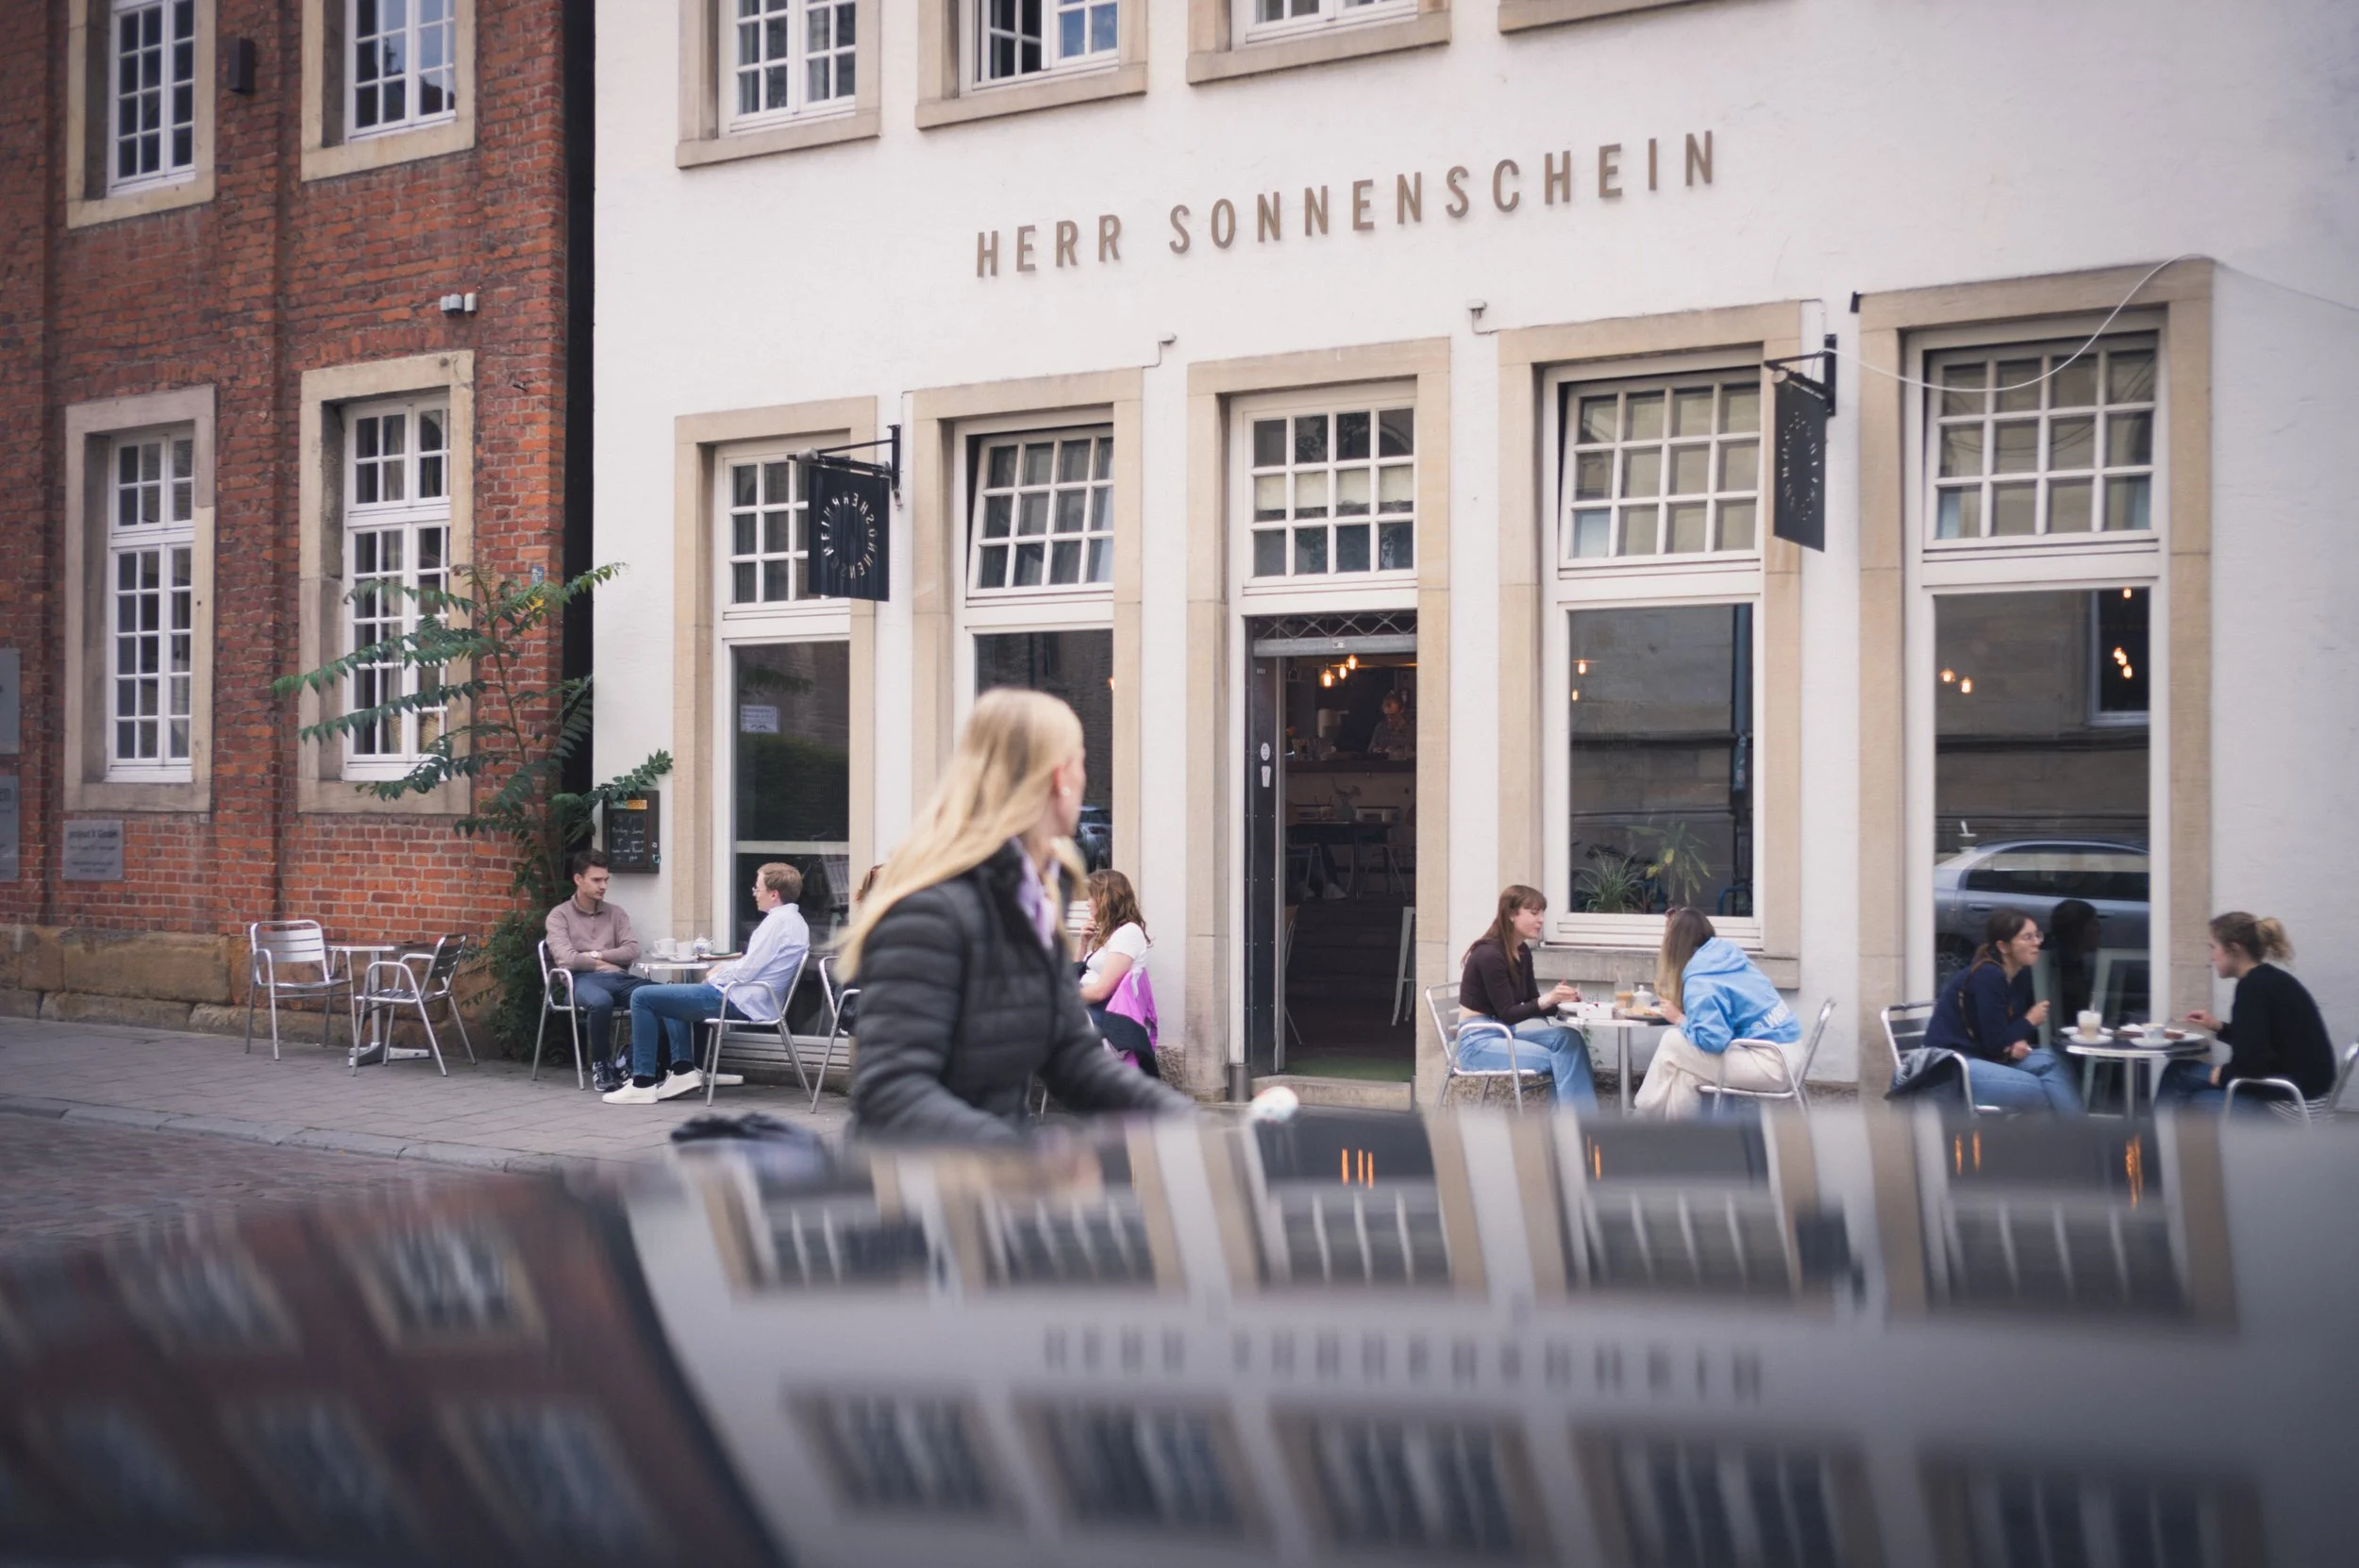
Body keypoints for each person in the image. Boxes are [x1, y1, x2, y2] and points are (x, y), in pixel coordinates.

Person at [844, 690, 1196, 1142]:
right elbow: (891, 1095)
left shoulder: (1028, 900)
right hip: (919, 1193)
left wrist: (1188, 1123)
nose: (1085, 778)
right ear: (1058, 777)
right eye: (1082, 761)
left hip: (994, 1188)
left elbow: (1072, 1057)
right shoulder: (930, 909)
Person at [603, 862, 811, 1105]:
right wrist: (725, 969)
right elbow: (755, 965)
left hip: (739, 1000)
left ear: (774, 894)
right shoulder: (795, 922)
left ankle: (643, 1083)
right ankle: (682, 1071)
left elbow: (747, 971)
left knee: (643, 997)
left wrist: (715, 975)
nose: (755, 892)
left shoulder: (776, 923)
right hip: (755, 999)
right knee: (671, 993)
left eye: (758, 888)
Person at [2156, 913, 2337, 1110]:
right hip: (2309, 1097)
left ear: (2234, 949)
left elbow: (2252, 1067)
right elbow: (2261, 1043)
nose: (2211, 957)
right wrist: (2219, 1027)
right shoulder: (2272, 980)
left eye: (2213, 947)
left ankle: (2157, 1138)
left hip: (2291, 1108)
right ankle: (2164, 1137)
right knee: (2181, 1073)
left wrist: (2223, 1075)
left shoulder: (2252, 988)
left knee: (2184, 1083)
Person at [1634, 908, 1804, 1116]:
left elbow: (1713, 1040)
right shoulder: (1725, 956)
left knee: (1672, 1040)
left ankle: (1643, 1115)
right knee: (1687, 1074)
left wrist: (1679, 1018)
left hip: (1771, 1065)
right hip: (1791, 1054)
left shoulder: (1701, 981)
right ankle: (1678, 1138)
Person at [1921, 908, 2082, 1114]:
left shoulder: (2018, 974)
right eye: (2027, 937)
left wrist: (2015, 1040)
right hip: (1952, 1066)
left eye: (2037, 935)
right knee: (2035, 1090)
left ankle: (2076, 1138)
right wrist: (2029, 1021)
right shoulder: (1989, 976)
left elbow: (2004, 1033)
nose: (2037, 942)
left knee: (2052, 1059)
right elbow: (1995, 1043)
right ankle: (2070, 1140)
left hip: (1982, 1057)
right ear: (2003, 947)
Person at [1455, 885, 1595, 1107]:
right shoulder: (1489, 955)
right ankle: (1574, 1130)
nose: (1541, 920)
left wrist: (1561, 1001)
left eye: (1542, 913)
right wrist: (1548, 999)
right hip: (1478, 1043)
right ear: (1511, 914)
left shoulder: (1522, 952)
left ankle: (1573, 1127)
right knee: (1563, 1059)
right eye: (1533, 912)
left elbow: (1533, 1002)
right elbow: (1508, 1013)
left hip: (1503, 1035)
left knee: (1570, 1040)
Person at [544, 849, 646, 1093]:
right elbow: (567, 960)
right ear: (579, 880)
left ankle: (630, 1058)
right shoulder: (559, 916)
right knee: (600, 1002)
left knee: (659, 996)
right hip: (578, 982)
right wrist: (603, 964)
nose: (603, 886)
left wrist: (596, 955)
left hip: (616, 978)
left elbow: (632, 950)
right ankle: (601, 1065)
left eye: (606, 880)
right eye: (596, 880)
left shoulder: (616, 913)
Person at [1078, 869, 1162, 1080]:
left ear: (1106, 898)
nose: (1087, 903)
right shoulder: (1108, 934)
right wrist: (1083, 943)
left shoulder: (1128, 933)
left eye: (1091, 896)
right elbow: (1075, 973)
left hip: (1099, 1014)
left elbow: (1101, 991)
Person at [1369, 689, 1415, 760]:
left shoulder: (1413, 730)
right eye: (1387, 715)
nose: (1389, 719)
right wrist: (1377, 751)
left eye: (1393, 715)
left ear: (1401, 710)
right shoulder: (1381, 728)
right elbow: (1371, 751)